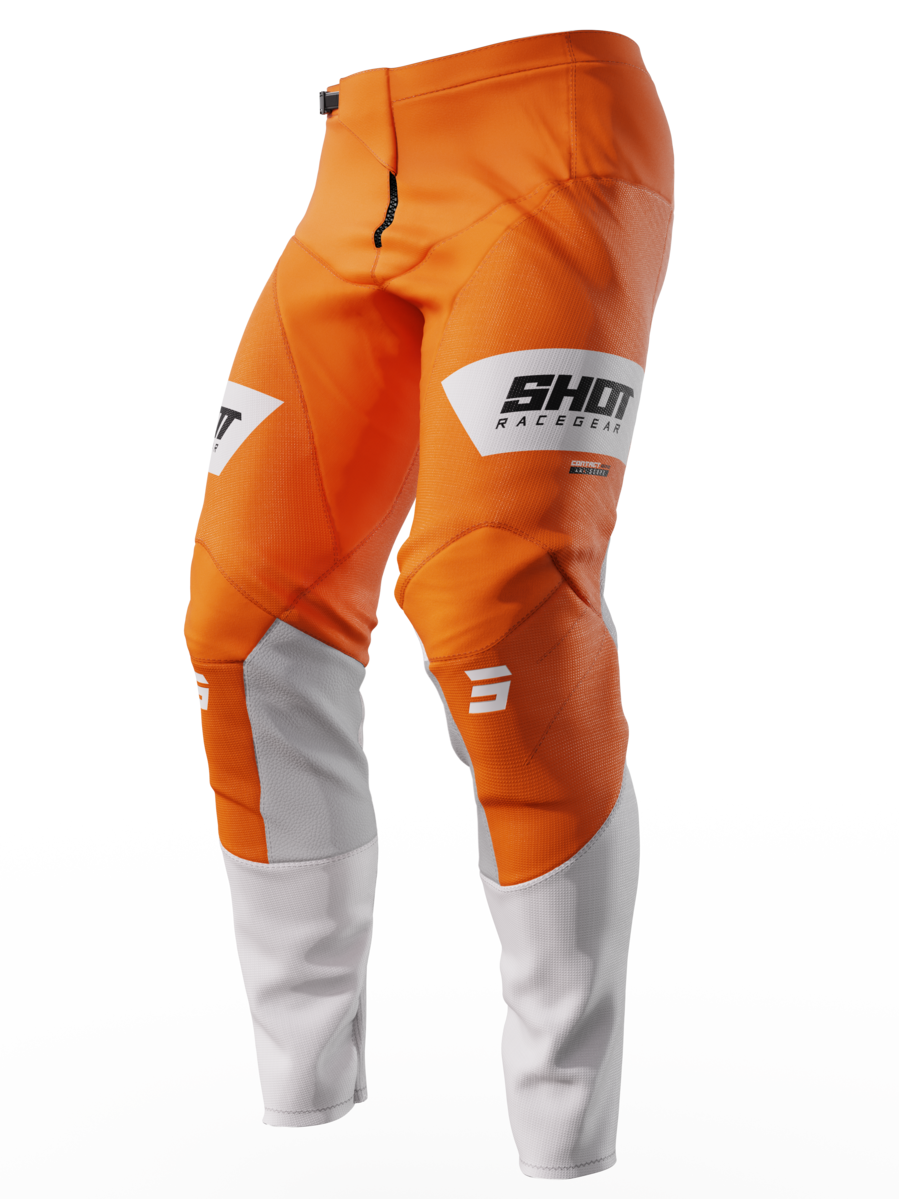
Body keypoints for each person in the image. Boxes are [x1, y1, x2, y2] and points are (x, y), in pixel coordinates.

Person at [183, 28, 675, 1180]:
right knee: (245, 624)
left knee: (500, 609)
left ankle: (563, 1131)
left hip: (550, 140)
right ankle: (301, 1107)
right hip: (353, 157)